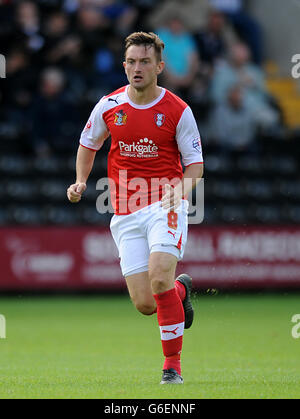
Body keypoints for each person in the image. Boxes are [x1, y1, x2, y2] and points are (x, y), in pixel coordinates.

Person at [67, 32, 204, 384]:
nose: (137, 68)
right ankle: (181, 292)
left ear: (159, 66)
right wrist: (81, 180)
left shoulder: (178, 110)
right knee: (146, 303)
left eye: (145, 61)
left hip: (165, 203)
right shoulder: (109, 106)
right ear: (124, 65)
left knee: (159, 277)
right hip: (125, 211)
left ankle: (172, 367)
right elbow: (88, 143)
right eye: (131, 61)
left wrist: (183, 189)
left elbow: (195, 165)